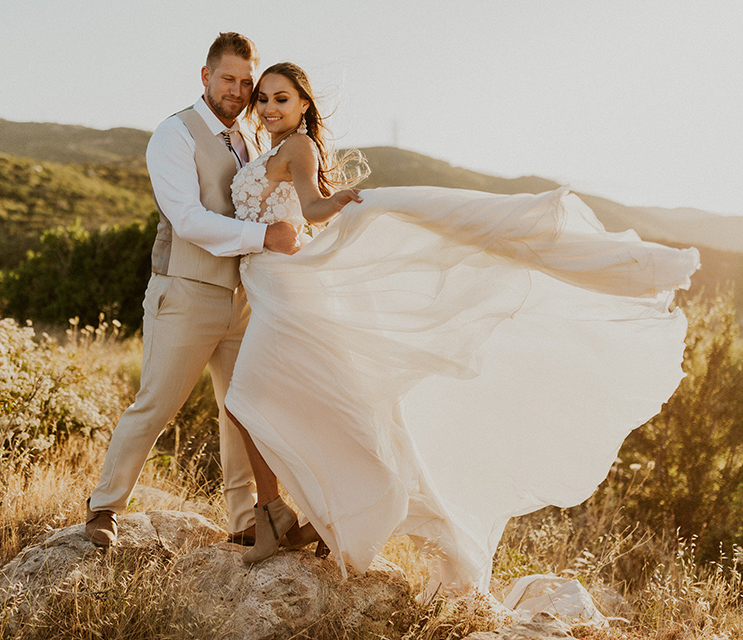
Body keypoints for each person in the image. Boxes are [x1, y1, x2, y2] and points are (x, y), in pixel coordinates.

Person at [221, 62, 700, 593]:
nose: (267, 109)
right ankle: (300, 514)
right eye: (262, 98)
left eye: (280, 99)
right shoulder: (265, 147)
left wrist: (339, 203)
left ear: (303, 105)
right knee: (282, 400)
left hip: (284, 288)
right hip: (265, 285)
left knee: (249, 399)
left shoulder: (298, 148)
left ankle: (294, 514)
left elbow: (311, 208)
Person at [85, 34, 300, 547]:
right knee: (156, 404)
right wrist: (265, 236)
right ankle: (105, 506)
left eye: (248, 82)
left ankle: (245, 519)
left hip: (243, 301)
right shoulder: (173, 135)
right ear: (205, 77)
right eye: (229, 79)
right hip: (185, 293)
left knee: (242, 408)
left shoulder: (250, 137)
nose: (239, 91)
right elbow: (188, 219)